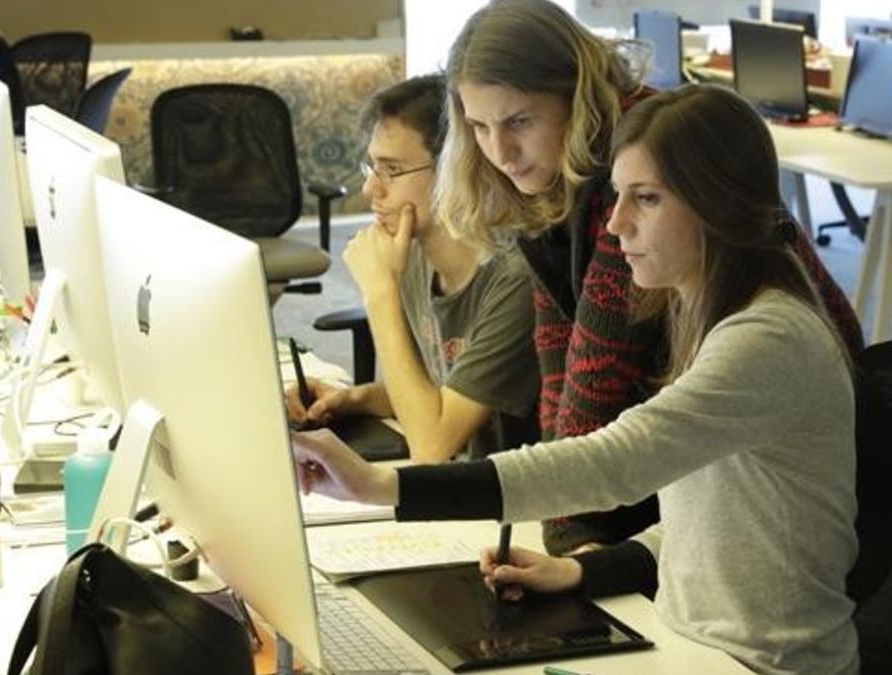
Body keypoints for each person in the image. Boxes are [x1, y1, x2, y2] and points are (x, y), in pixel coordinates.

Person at [293, 83, 860, 675]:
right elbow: (718, 518)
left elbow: (611, 463)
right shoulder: (710, 317)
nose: (615, 225)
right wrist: (587, 569)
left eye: (647, 199)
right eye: (617, 196)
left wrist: (384, 487)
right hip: (693, 646)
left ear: (717, 205)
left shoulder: (768, 339)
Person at [434, 0, 865, 555]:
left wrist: (569, 542)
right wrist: (563, 538)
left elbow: (596, 378)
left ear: (575, 95)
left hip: (773, 464)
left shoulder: (641, 168)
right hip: (691, 453)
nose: (499, 151)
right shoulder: (558, 173)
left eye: (519, 121)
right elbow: (559, 361)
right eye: (478, 127)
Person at [285, 75, 540, 463]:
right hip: (463, 491)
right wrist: (354, 399)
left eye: (391, 169)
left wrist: (380, 293)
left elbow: (433, 447)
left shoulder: (514, 279)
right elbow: (435, 391)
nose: (371, 189)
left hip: (515, 507)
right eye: (371, 167)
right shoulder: (416, 256)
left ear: (456, 169)